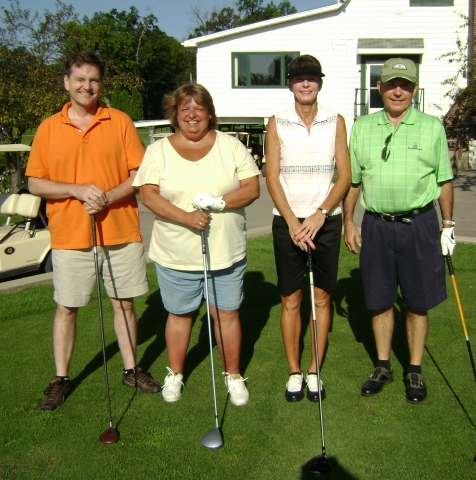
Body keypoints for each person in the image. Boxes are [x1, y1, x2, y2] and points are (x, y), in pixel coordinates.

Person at [26, 51, 161, 411]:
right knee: (67, 307)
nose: (88, 86)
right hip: (70, 234)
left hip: (119, 231)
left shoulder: (119, 121)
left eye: (94, 80)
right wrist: (74, 189)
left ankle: (131, 369)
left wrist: (107, 197)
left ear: (101, 84)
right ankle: (61, 378)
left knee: (124, 304)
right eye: (80, 79)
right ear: (66, 82)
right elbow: (35, 183)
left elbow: (139, 174)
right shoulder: (48, 128)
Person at [133, 83, 260, 406]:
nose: (192, 114)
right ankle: (175, 374)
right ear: (174, 115)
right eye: (184, 109)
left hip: (225, 251)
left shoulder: (231, 145)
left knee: (226, 313)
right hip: (176, 252)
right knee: (180, 314)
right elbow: (147, 195)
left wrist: (218, 203)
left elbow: (251, 189)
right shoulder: (158, 150)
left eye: (199, 108)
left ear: (210, 114)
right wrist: (186, 217)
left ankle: (233, 376)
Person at [343, 58, 456, 404]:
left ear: (414, 90)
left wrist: (448, 225)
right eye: (391, 84)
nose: (397, 91)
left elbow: (444, 180)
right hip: (376, 225)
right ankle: (382, 366)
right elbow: (353, 181)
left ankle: (415, 369)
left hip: (420, 224)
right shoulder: (362, 127)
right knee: (378, 300)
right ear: (379, 88)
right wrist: (348, 220)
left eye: (404, 85)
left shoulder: (431, 126)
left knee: (417, 302)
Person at [265, 55, 351, 403]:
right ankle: (294, 372)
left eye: (311, 78)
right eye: (299, 78)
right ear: (290, 83)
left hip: (325, 222)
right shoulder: (277, 121)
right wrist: (292, 222)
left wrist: (320, 214)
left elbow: (344, 176)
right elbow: (271, 177)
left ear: (319, 82)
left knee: (321, 297)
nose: (305, 84)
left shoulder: (336, 120)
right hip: (288, 221)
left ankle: (314, 370)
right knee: (291, 298)